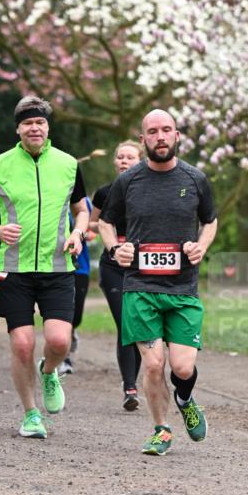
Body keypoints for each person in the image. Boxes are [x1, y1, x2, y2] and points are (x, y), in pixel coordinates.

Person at [0, 95, 90, 439]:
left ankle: (48, 371)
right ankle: (31, 414)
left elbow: (82, 209)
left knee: (60, 341)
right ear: (18, 129)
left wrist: (78, 233)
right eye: (27, 123)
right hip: (14, 268)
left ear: (47, 128)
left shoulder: (67, 164)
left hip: (58, 266)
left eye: (40, 122)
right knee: (22, 344)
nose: (34, 128)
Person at [99, 109, 217, 455]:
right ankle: (161, 430)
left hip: (183, 290)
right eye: (153, 131)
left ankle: (185, 398)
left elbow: (210, 221)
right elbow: (105, 222)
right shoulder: (128, 181)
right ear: (143, 139)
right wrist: (115, 249)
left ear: (177, 135)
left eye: (167, 130)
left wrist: (201, 246)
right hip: (140, 288)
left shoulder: (196, 179)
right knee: (153, 365)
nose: (160, 136)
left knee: (182, 367)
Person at [89, 141, 144, 409]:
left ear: (141, 161)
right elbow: (91, 222)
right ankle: (130, 387)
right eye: (120, 157)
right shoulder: (104, 193)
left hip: (143, 266)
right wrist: (103, 229)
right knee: (126, 323)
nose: (124, 161)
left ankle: (132, 382)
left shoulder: (150, 192)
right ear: (114, 162)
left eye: (130, 157)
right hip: (112, 265)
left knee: (139, 326)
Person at [58, 199, 94, 376]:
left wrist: (80, 234)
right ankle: (65, 359)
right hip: (57, 267)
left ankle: (72, 332)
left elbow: (93, 231)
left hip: (80, 266)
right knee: (63, 313)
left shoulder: (84, 202)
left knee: (76, 315)